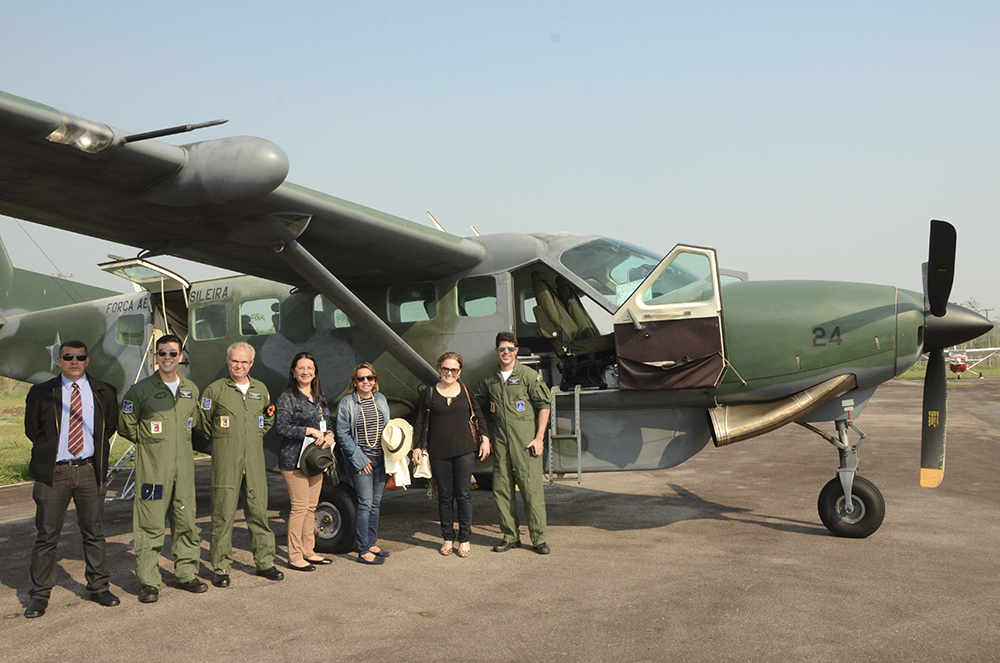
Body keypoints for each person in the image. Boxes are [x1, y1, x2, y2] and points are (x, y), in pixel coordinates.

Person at [23, 340, 120, 618]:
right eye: (68, 357)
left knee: (94, 533)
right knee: (46, 535)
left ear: (87, 360)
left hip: (90, 471)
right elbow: (34, 430)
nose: (74, 361)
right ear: (59, 360)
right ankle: (39, 594)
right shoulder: (41, 392)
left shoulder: (104, 391)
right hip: (54, 473)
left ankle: (99, 587)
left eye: (80, 357)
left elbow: (109, 426)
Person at [118, 334, 206, 603]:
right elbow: (126, 426)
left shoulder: (191, 389)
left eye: (172, 353)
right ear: (155, 356)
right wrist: (152, 445)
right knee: (150, 523)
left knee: (186, 521)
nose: (167, 358)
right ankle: (149, 581)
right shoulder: (140, 390)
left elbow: (197, 423)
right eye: (162, 353)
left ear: (181, 357)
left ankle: (187, 573)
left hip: (184, 470)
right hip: (154, 471)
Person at [197, 341, 283, 586]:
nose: (239, 366)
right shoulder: (215, 390)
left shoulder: (260, 389)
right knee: (223, 515)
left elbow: (267, 418)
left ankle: (265, 563)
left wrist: (252, 436)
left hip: (254, 461)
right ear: (228, 361)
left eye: (244, 361)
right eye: (235, 361)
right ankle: (221, 567)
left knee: (258, 512)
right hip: (226, 461)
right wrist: (225, 441)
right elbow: (202, 423)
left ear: (251, 364)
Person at [475, 332, 553, 554]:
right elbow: (477, 405)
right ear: (497, 351)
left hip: (526, 443)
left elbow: (544, 406)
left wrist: (539, 438)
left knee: (532, 491)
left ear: (516, 351)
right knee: (502, 490)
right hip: (501, 444)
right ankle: (510, 536)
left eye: (510, 348)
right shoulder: (490, 379)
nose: (506, 352)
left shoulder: (528, 376)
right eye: (502, 349)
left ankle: (539, 539)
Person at [413, 352, 491, 558]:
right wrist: (417, 447)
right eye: (445, 369)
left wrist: (485, 437)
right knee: (445, 497)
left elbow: (478, 415)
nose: (449, 372)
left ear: (459, 372)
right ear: (439, 369)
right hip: (439, 452)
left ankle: (464, 538)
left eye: (453, 369)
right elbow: (420, 421)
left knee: (463, 495)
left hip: (465, 450)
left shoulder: (465, 391)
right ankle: (448, 537)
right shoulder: (430, 393)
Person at [275, 352, 335, 571]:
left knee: (311, 508)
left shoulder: (318, 398)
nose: (305, 372)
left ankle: (309, 551)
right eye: (301, 368)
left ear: (315, 371)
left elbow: (326, 423)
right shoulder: (288, 397)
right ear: (293, 371)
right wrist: (307, 430)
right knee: (299, 508)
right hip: (294, 461)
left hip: (314, 461)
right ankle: (294, 556)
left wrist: (329, 434)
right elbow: (281, 427)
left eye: (310, 368)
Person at [336, 362, 391, 565]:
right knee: (365, 504)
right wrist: (359, 458)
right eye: (361, 378)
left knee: (375, 504)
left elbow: (388, 429)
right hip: (362, 461)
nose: (366, 381)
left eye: (370, 378)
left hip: (381, 459)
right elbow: (342, 434)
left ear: (375, 380)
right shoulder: (347, 403)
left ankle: (372, 543)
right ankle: (363, 549)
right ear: (354, 381)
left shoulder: (381, 400)